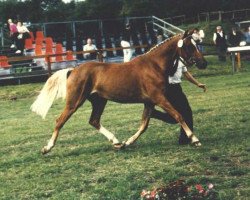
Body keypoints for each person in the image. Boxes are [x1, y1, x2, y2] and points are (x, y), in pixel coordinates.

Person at [151, 60, 207, 145]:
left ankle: (154, 113)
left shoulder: (180, 61)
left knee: (175, 117)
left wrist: (197, 83)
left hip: (177, 88)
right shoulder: (165, 59)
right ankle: (185, 139)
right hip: (167, 88)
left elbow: (186, 73)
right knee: (186, 113)